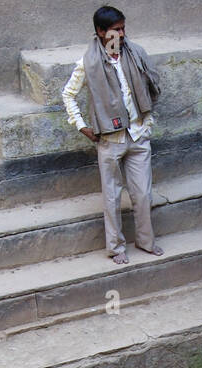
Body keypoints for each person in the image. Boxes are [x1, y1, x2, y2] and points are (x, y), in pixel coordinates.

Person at [61, 6, 163, 265]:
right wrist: (81, 126)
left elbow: (151, 86)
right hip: (109, 139)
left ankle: (146, 241)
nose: (122, 33)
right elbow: (68, 95)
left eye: (123, 28)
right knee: (112, 196)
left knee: (142, 194)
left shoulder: (135, 53)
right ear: (100, 32)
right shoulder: (88, 62)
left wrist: (147, 123)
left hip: (138, 135)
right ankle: (116, 247)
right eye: (116, 29)